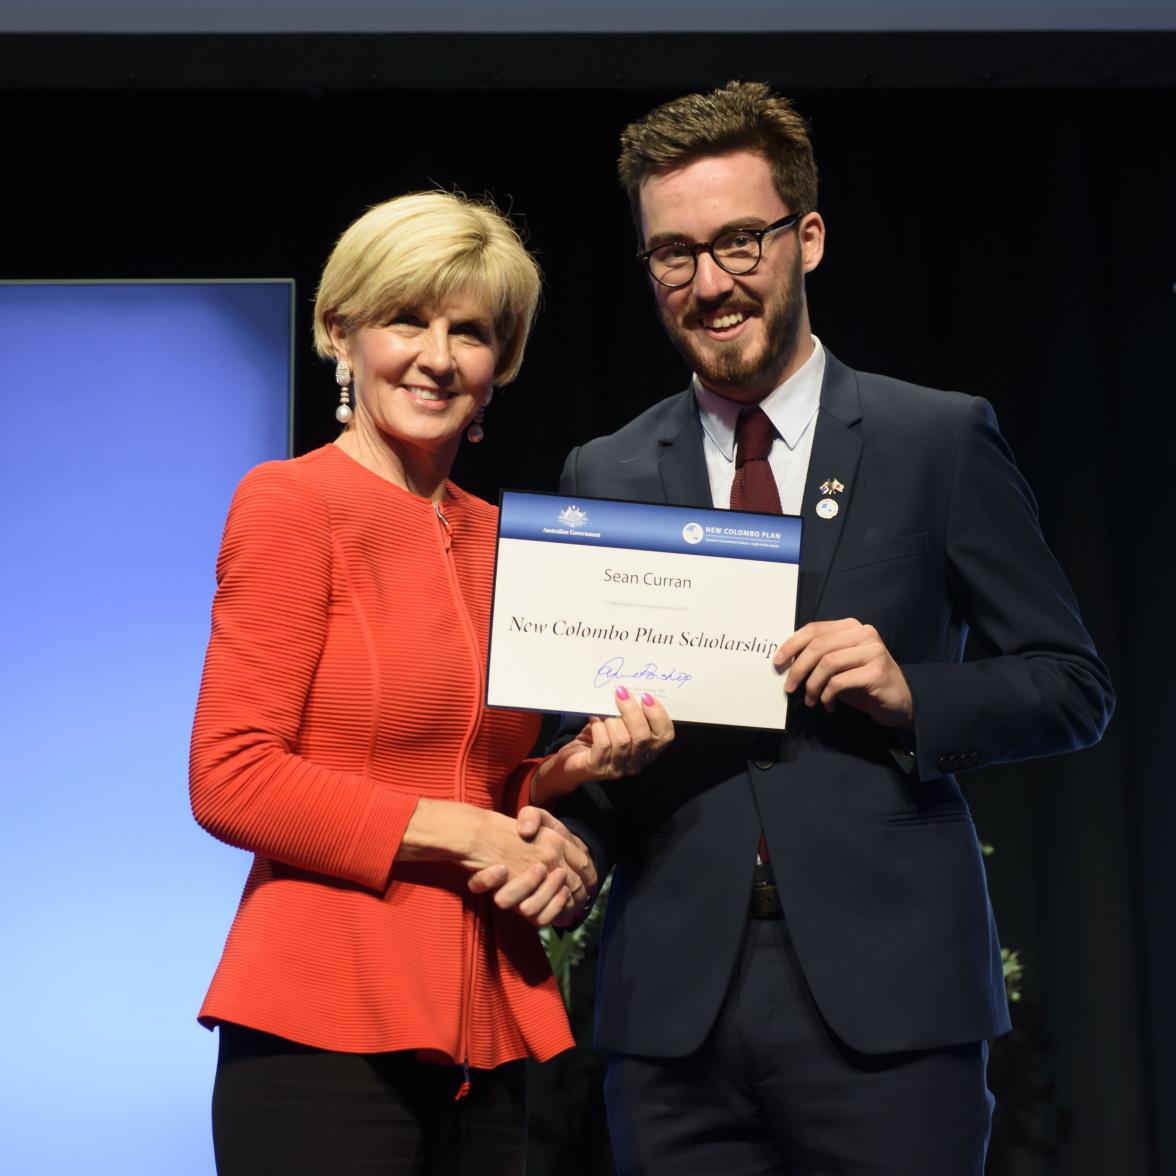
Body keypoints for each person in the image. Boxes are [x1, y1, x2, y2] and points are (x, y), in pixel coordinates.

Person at [553, 82, 1114, 1175]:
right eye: (673, 254)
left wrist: (916, 692)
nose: (709, 283)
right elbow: (582, 734)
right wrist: (584, 771)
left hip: (892, 1005)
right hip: (674, 1011)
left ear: (806, 238)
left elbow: (1071, 687)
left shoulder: (937, 439)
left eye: (739, 241)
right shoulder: (605, 472)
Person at [189, 190, 672, 1176]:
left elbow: (472, 774)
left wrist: (563, 784)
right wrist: (476, 832)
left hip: (486, 1023)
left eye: (472, 331)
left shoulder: (509, 541)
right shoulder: (288, 504)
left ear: (504, 362)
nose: (439, 356)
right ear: (341, 331)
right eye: (407, 319)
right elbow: (231, 775)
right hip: (320, 1024)